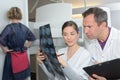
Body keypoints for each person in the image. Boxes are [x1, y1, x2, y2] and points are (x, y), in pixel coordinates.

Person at [82, 7, 120, 80]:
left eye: (89, 27)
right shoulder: (90, 46)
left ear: (103, 25)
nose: (85, 31)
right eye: (84, 27)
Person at [0, 7, 36, 80]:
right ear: (20, 15)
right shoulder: (24, 27)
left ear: (10, 14)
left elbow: (1, 39)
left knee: (11, 77)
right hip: (22, 55)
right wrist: (26, 46)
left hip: (12, 56)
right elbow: (32, 37)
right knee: (22, 76)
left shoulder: (9, 28)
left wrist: (4, 49)